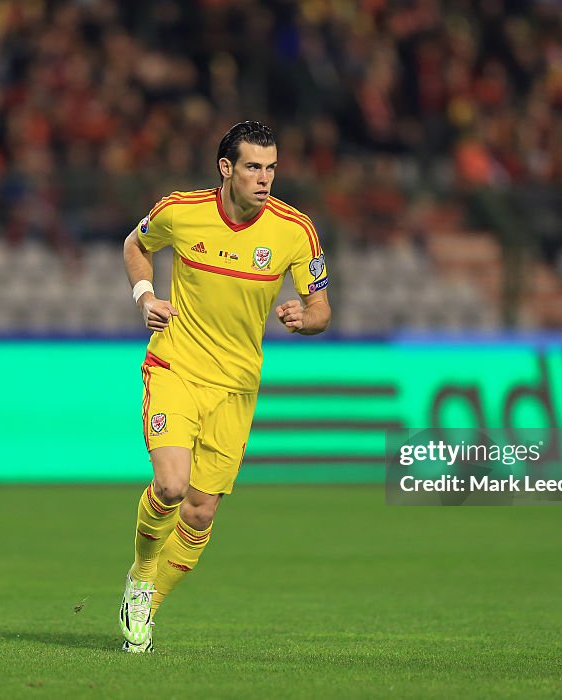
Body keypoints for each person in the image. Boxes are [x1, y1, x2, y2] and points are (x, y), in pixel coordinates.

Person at [118, 121, 331, 653]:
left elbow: (323, 307)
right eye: (254, 167)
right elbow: (134, 245)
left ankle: (148, 603)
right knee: (170, 486)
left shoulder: (294, 230)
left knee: (199, 511)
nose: (265, 179)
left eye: (272, 167)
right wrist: (145, 298)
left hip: (236, 387)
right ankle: (141, 573)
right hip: (177, 368)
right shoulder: (181, 211)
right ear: (226, 169)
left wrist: (307, 317)